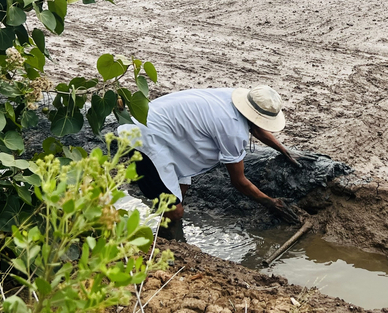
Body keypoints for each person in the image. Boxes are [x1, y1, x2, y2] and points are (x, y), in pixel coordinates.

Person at [118, 85, 301, 237]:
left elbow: (255, 126)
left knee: (181, 188)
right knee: (175, 210)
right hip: (145, 138)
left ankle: (168, 237)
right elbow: (239, 181)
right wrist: (270, 202)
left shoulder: (235, 98)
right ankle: (168, 247)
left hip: (163, 130)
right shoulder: (232, 130)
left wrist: (283, 150)